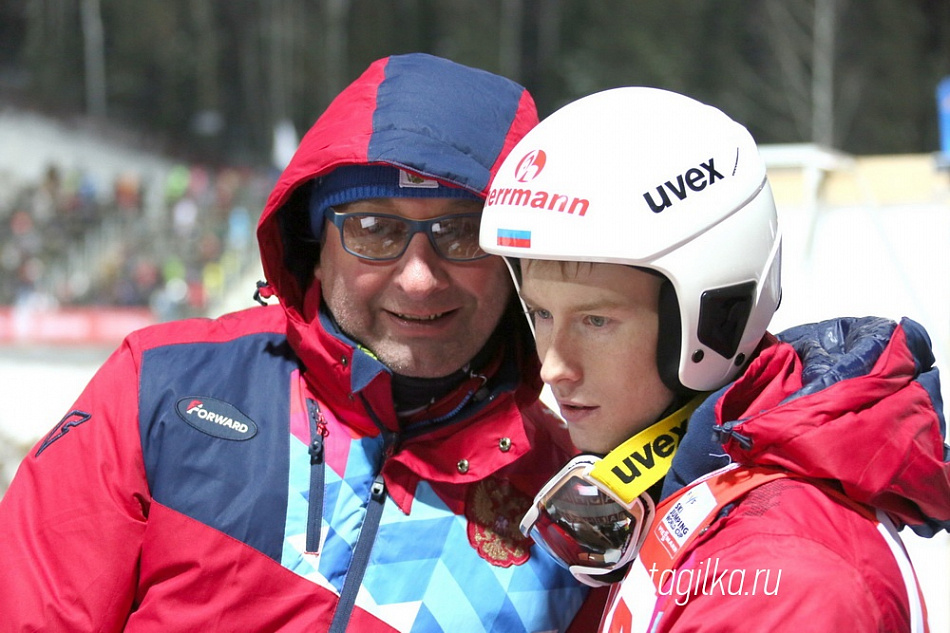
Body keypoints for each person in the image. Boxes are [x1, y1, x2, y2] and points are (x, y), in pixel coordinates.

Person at [0, 53, 607, 631]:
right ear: (316, 248)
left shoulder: (572, 503)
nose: (420, 278)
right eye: (375, 229)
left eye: (461, 232)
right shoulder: (161, 387)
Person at [479, 86, 950, 631]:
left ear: (715, 319)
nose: (554, 368)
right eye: (539, 315)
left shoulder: (781, 575)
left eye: (596, 322)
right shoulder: (695, 504)